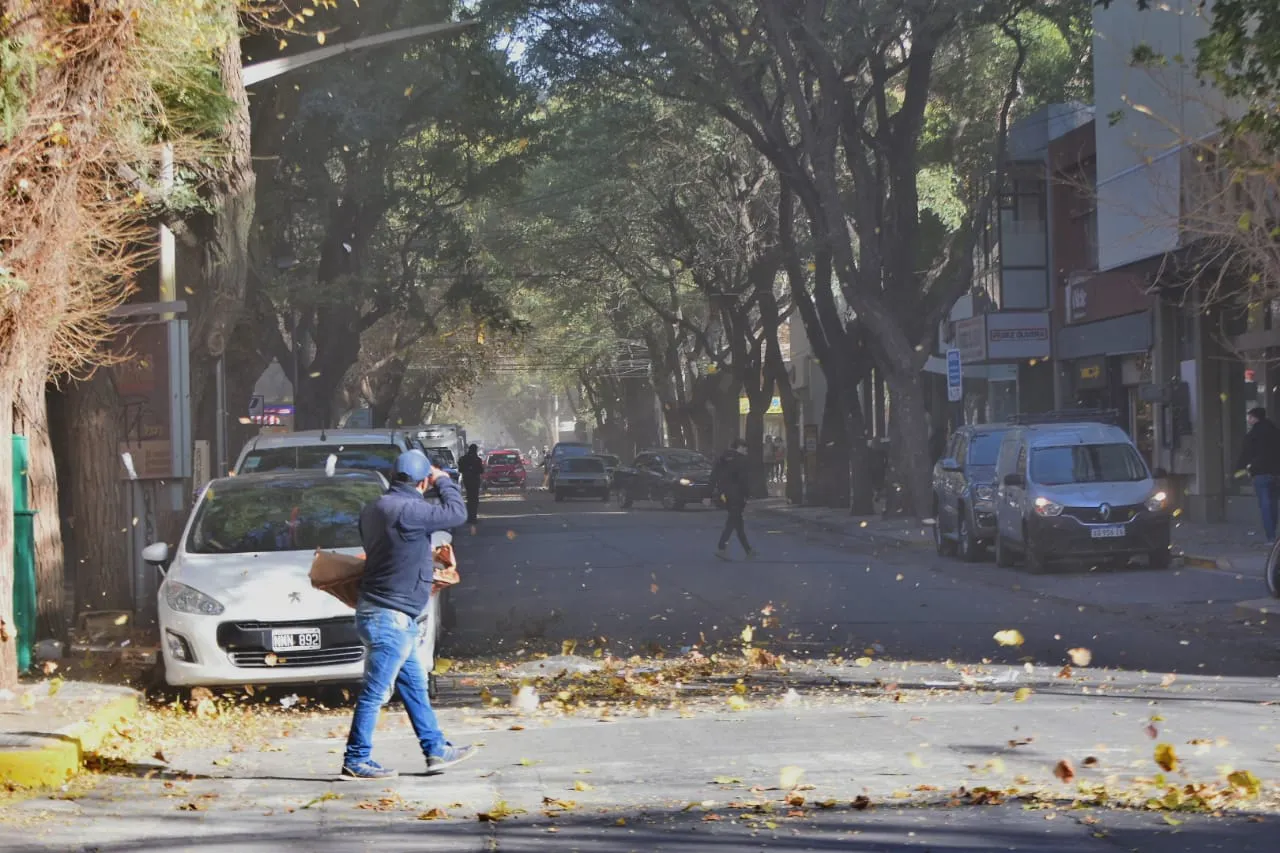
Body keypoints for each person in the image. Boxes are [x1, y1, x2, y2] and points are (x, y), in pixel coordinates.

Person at [341, 450, 475, 780]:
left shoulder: (373, 509)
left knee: (415, 686)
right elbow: (457, 513)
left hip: (382, 612)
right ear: (422, 480)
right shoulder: (411, 510)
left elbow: (394, 548)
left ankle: (435, 749)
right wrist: (443, 479)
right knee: (375, 691)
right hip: (391, 618)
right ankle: (355, 759)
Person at [1235, 407, 1280, 542]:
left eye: (1249, 417)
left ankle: (1270, 536)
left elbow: (1245, 454)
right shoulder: (1275, 432)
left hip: (1260, 472)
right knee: (1273, 503)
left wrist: (1238, 469)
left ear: (1255, 418)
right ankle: (1274, 532)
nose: (1248, 419)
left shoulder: (1252, 435)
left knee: (1265, 504)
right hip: (1276, 472)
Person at [711, 438, 755, 560]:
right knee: (732, 523)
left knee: (737, 523)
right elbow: (743, 480)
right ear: (739, 447)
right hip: (738, 495)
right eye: (745, 447)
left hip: (726, 494)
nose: (746, 450)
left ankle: (748, 550)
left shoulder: (722, 459)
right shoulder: (741, 460)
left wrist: (711, 493)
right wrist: (747, 494)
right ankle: (721, 548)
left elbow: (714, 476)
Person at [459, 444, 485, 524]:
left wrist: (468, 470)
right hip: (474, 481)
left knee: (470, 498)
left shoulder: (463, 459)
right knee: (474, 499)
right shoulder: (477, 459)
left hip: (467, 480)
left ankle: (470, 517)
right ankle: (473, 517)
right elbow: (481, 470)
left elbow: (460, 469)